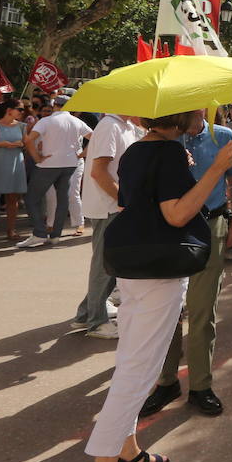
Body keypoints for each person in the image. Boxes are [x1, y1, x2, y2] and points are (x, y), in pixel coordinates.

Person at [80, 112, 232, 462]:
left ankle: (128, 451)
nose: (203, 114)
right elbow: (177, 214)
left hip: (134, 267)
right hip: (159, 274)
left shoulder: (138, 149)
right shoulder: (169, 152)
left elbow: (127, 198)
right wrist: (216, 169)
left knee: (131, 360)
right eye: (197, 108)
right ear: (182, 114)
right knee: (139, 371)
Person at [139, 111, 232, 418]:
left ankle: (200, 385)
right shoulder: (165, 136)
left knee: (202, 310)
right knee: (168, 311)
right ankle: (166, 381)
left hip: (210, 226)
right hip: (169, 229)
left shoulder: (223, 136)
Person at [71, 113, 143, 339]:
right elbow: (98, 172)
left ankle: (87, 313)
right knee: (105, 264)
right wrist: (124, 201)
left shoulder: (126, 126)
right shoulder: (109, 126)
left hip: (116, 206)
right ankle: (96, 321)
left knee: (109, 263)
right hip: (109, 207)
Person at [19, 95, 91, 248]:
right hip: (70, 163)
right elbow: (95, 137)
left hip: (49, 164)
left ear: (54, 105)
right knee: (63, 198)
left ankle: (39, 233)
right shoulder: (76, 121)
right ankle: (55, 235)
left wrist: (37, 158)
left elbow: (28, 139)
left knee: (31, 198)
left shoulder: (46, 121)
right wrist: (82, 153)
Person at [0, 100, 28, 240]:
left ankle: (11, 230)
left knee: (12, 198)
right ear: (9, 110)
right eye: (20, 109)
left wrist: (20, 144)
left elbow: (26, 143)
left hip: (15, 163)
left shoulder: (22, 126)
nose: (22, 112)